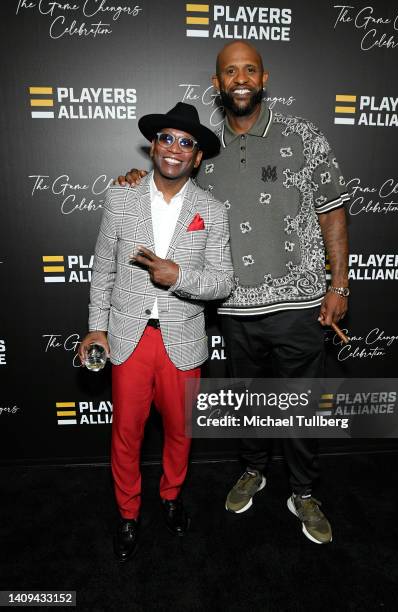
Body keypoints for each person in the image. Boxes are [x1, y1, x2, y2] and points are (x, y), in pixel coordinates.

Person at [117, 41, 350, 545]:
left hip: (301, 306)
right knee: (247, 402)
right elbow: (168, 183)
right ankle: (252, 469)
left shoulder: (303, 136)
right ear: (217, 83)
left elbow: (332, 212)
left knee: (302, 405)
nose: (240, 78)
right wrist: (137, 179)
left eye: (249, 69)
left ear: (263, 79)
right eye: (229, 71)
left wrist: (338, 284)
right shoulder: (205, 152)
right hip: (234, 309)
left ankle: (305, 491)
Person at [79, 102, 234, 562]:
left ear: (197, 157)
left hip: (183, 340)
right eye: (167, 138)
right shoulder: (120, 197)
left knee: (180, 434)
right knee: (126, 433)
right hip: (129, 337)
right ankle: (128, 513)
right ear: (153, 146)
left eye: (186, 143)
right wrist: (96, 329)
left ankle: (170, 497)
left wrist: (177, 276)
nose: (174, 149)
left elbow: (223, 281)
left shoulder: (213, 210)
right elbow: (103, 267)